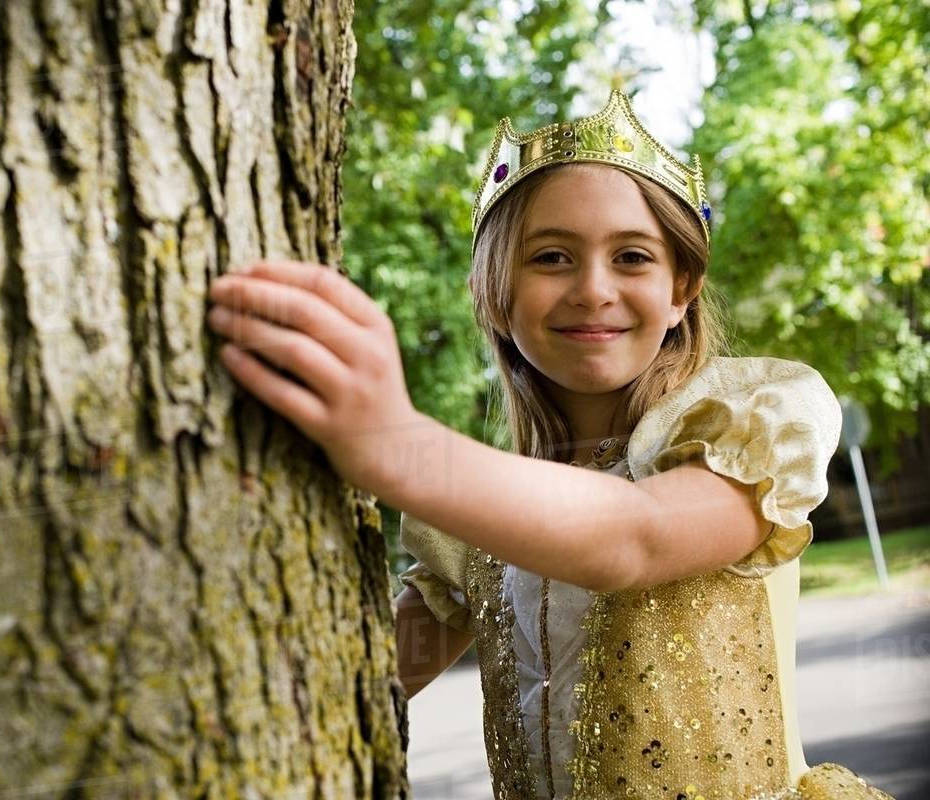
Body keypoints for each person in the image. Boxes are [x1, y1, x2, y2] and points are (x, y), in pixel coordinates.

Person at [205, 88, 894, 798]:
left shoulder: (743, 426)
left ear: (682, 288)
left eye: (631, 257)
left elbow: (633, 537)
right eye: (552, 257)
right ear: (493, 291)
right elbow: (359, 685)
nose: (594, 289)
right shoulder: (483, 515)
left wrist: (395, 443)